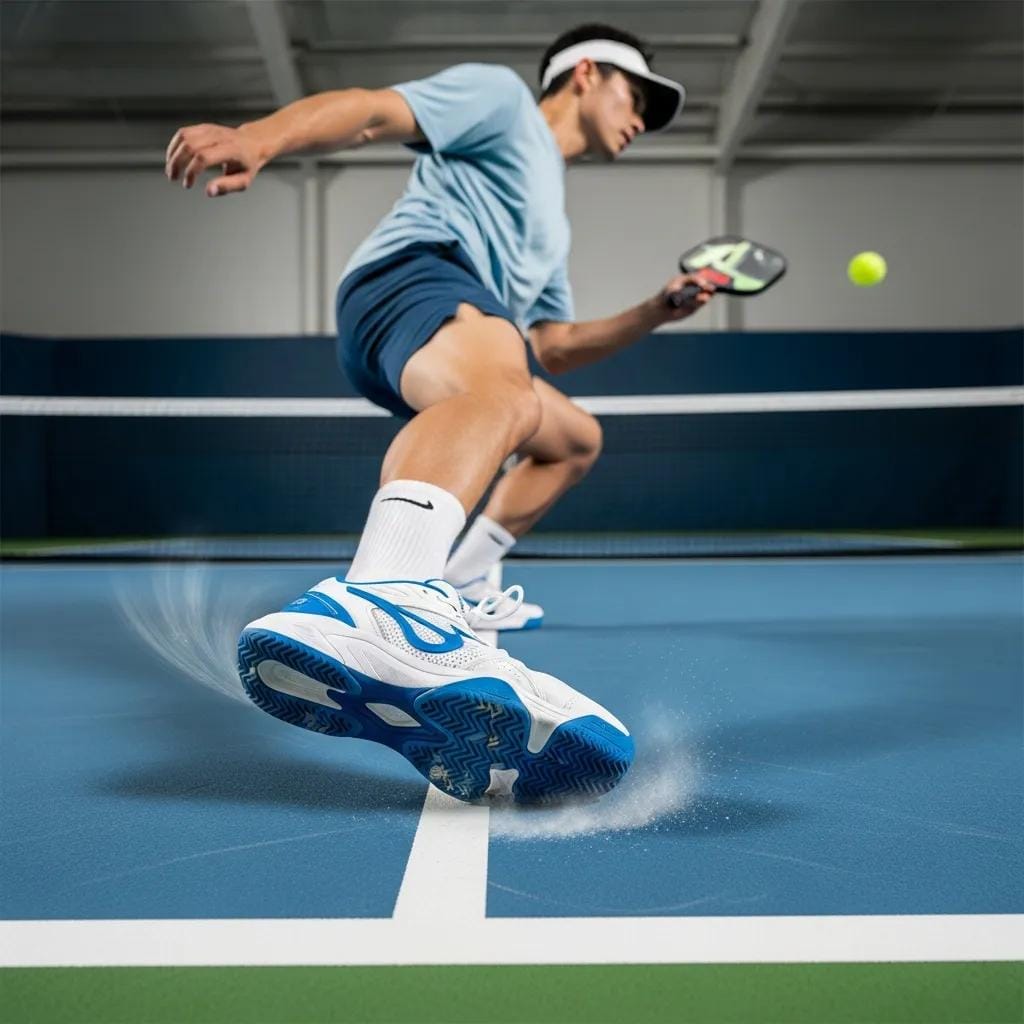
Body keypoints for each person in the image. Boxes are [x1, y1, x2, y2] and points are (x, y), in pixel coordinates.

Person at [165, 24, 715, 803]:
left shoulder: (551, 224)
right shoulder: (501, 102)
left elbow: (551, 346)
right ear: (585, 74)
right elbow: (367, 111)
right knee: (499, 394)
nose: (644, 120)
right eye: (639, 97)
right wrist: (259, 138)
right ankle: (383, 601)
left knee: (570, 437)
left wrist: (657, 310)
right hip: (413, 274)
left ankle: (442, 587)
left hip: (463, 317)